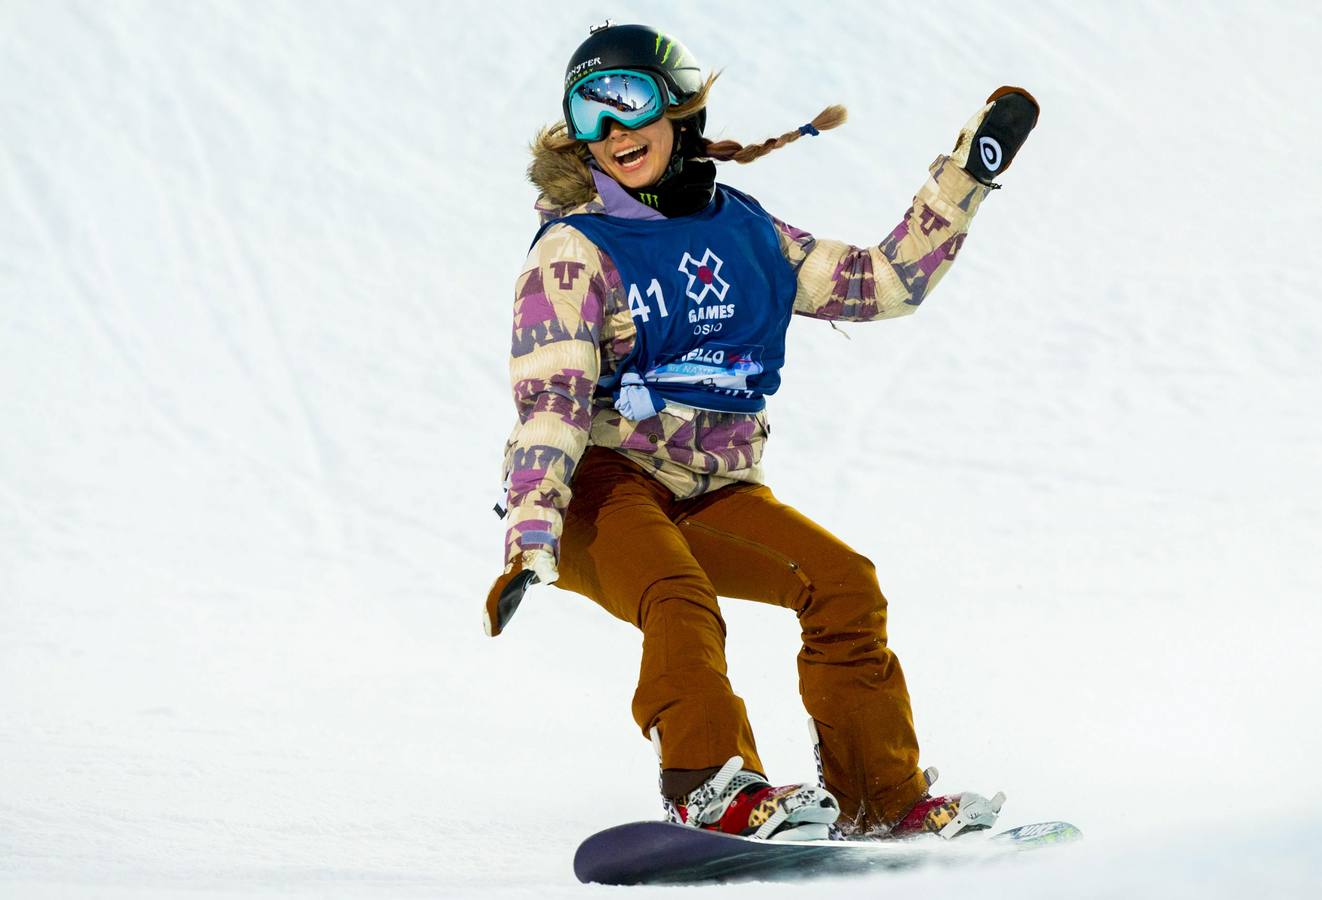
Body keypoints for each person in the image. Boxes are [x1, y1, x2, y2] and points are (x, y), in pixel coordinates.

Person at [485, 22, 1038, 841]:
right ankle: (708, 786)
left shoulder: (745, 231)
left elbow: (879, 284)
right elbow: (552, 402)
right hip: (599, 487)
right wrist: (532, 529)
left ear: (680, 106)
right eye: (587, 112)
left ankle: (882, 801)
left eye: (627, 101)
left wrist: (966, 179)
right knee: (678, 598)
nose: (611, 131)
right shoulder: (575, 251)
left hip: (713, 491)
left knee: (844, 583)